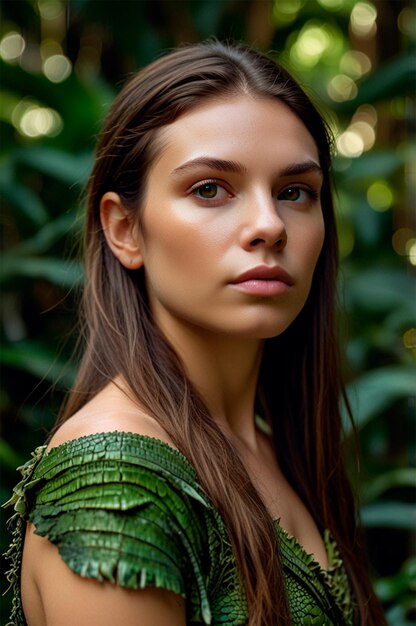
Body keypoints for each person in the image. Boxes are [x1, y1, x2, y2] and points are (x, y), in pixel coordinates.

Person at [4, 40, 385, 626]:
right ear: (125, 229)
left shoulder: (278, 446)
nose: (269, 225)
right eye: (210, 188)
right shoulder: (114, 485)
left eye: (294, 192)